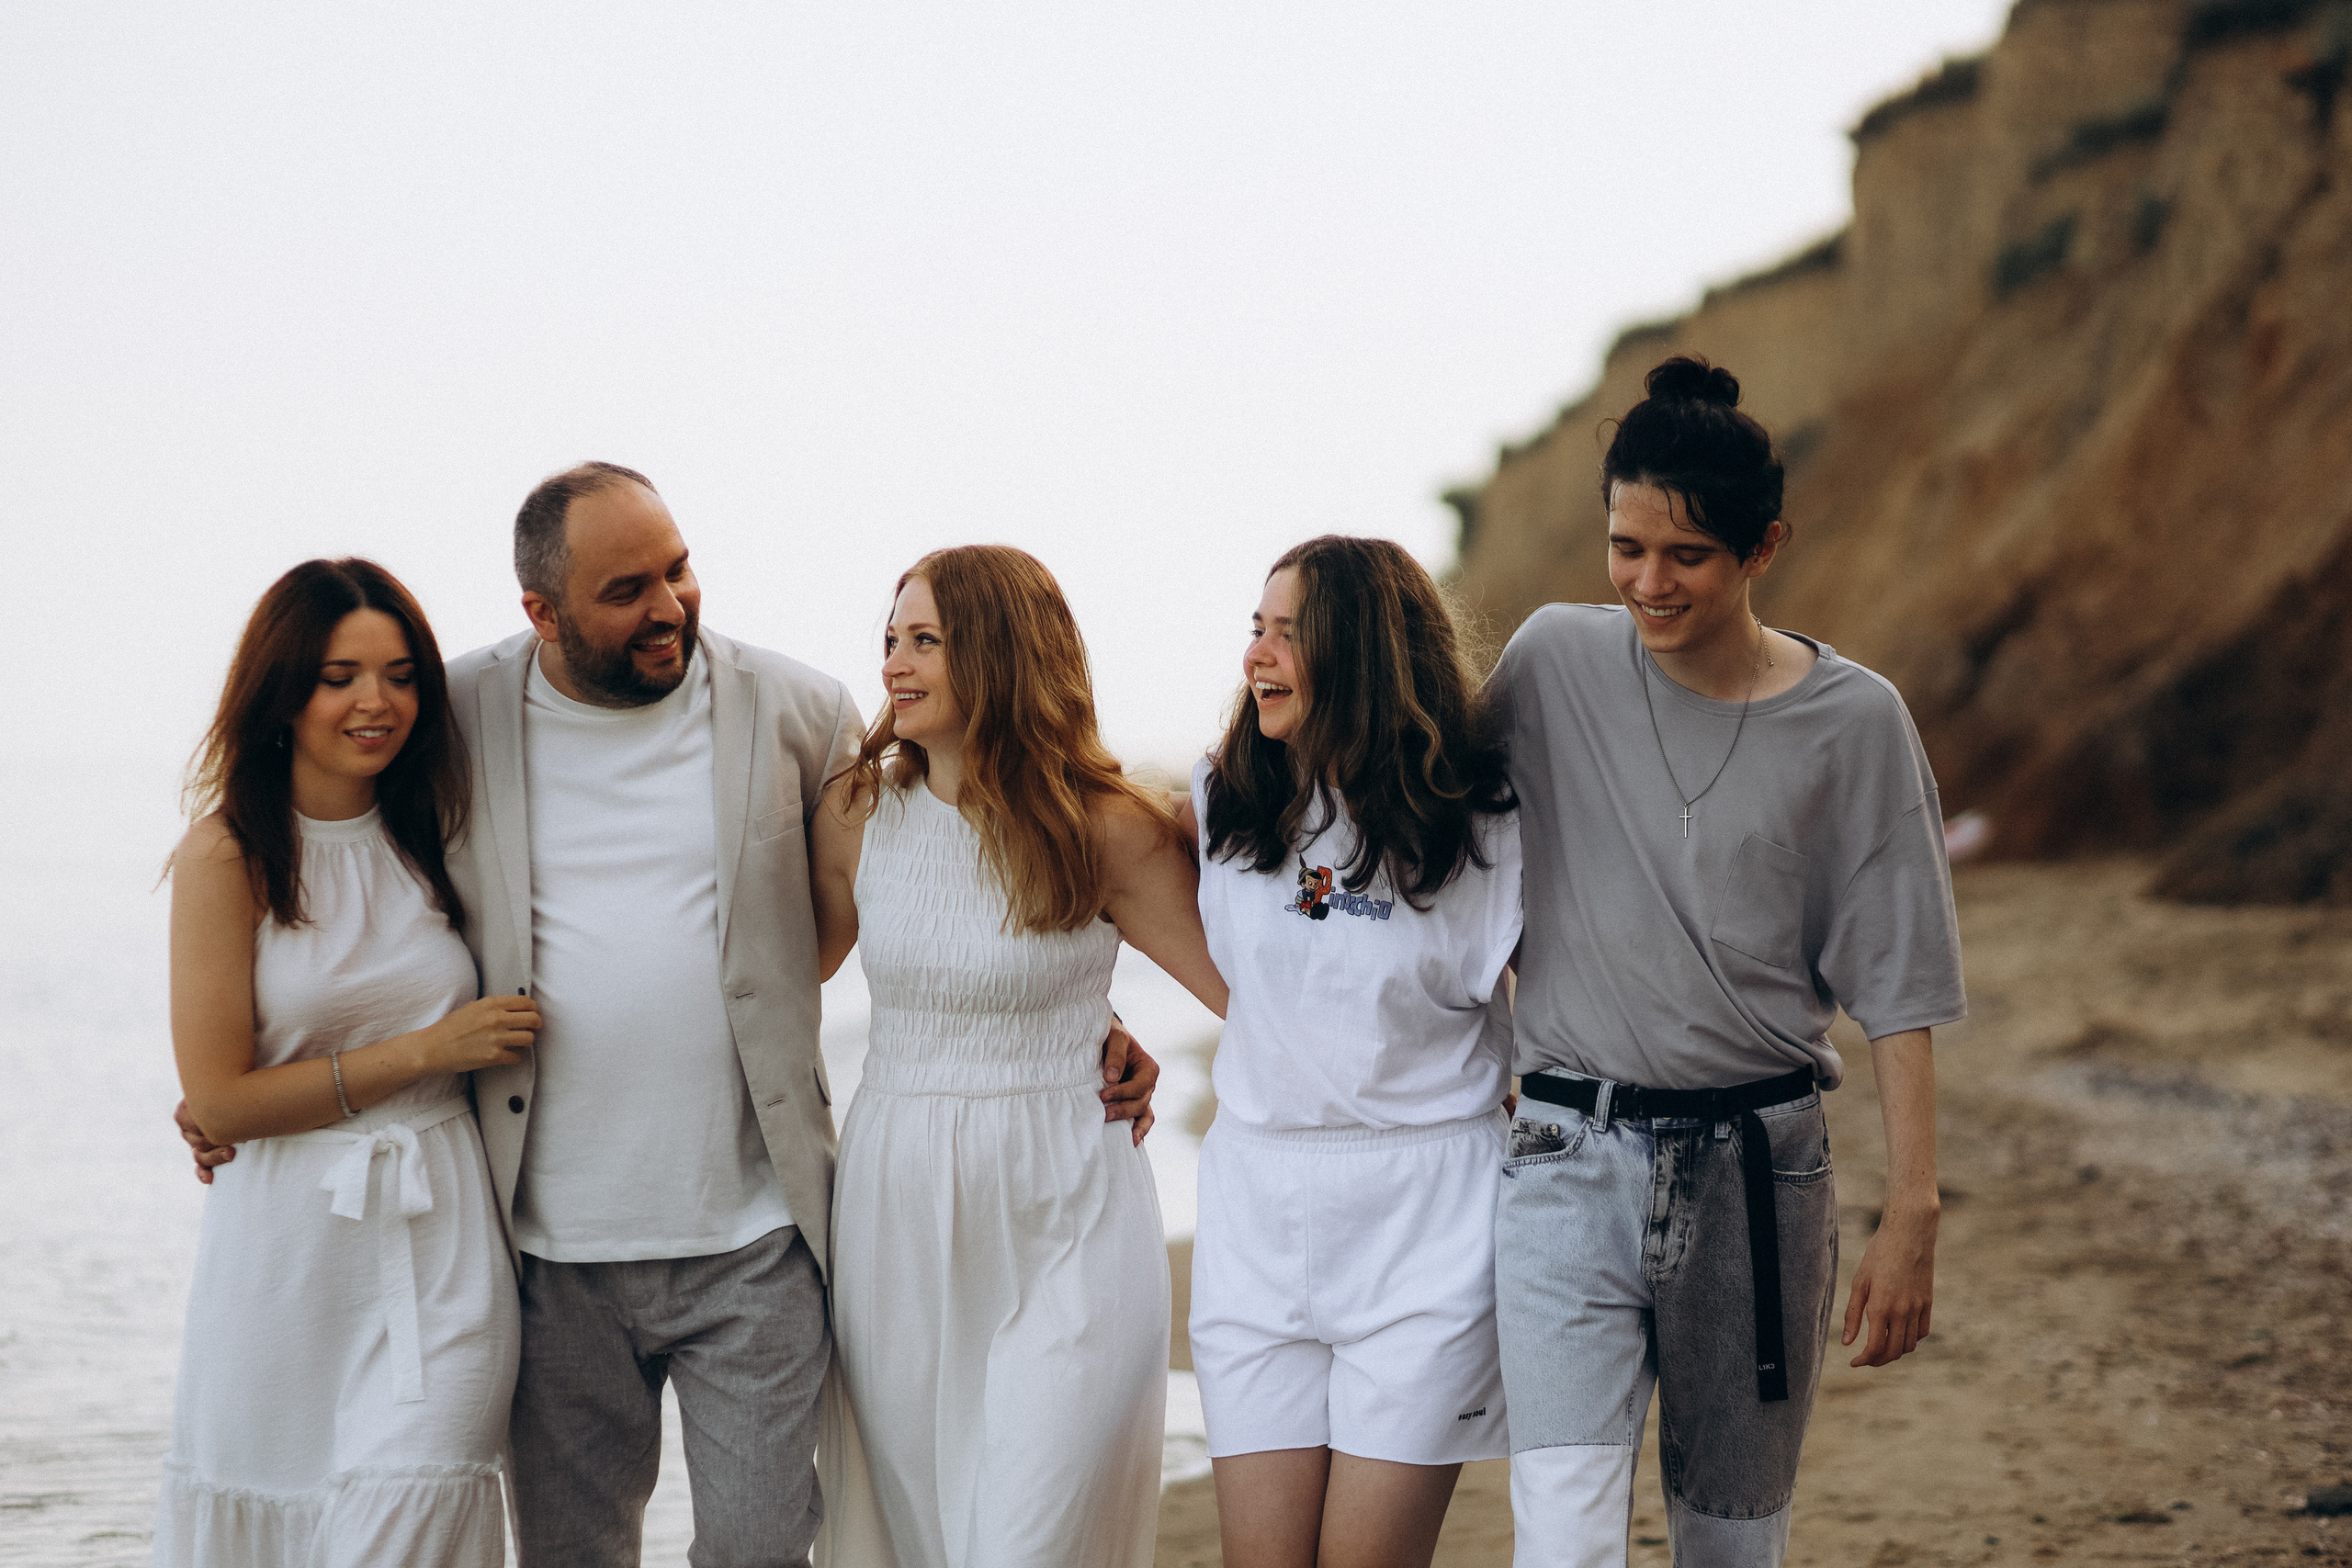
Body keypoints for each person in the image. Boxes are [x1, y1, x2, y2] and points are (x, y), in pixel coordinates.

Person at [178, 468, 1163, 1566]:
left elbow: (932, 898)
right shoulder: (451, 715)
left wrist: (1079, 1013)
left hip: (756, 1234)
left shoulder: (797, 710)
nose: (669, 606)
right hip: (540, 1250)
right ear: (542, 612)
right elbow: (351, 882)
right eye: (625, 591)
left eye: (678, 570)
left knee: (760, 1549)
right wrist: (256, 1084)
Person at [1488, 357, 1963, 1568]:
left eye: (1686, 555)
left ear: (1764, 547)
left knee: (1731, 1545)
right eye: (1625, 547)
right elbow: (1413, 827)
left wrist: (1911, 1209)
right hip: (1564, 1160)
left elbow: (1899, 980)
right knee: (1559, 1538)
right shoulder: (1550, 662)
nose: (1648, 582)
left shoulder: (1855, 721)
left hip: (1758, 1174)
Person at [808, 545, 1227, 1568]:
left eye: (926, 641)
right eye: (891, 640)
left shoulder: (1107, 827)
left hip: (1067, 1205)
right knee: (924, 1533)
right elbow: (776, 986)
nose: (894, 665)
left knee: (1029, 1539)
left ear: (998, 654)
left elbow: (1253, 1003)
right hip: (897, 1212)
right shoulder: (858, 812)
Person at [156, 558, 533, 1566]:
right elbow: (221, 1101)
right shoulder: (226, 856)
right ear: (283, 693)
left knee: (415, 1512)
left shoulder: (441, 829)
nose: (378, 702)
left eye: (402, 675)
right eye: (340, 677)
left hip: (442, 1242)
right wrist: (424, 1051)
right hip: (285, 1256)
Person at [1175, 536, 1522, 1568]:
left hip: (1427, 1224)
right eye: (1256, 629)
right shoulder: (1222, 798)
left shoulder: (1482, 823)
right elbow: (1102, 896)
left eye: (1289, 634)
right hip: (1255, 1213)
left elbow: (1571, 1000)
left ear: (1362, 652)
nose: (1257, 655)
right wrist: (1100, 1025)